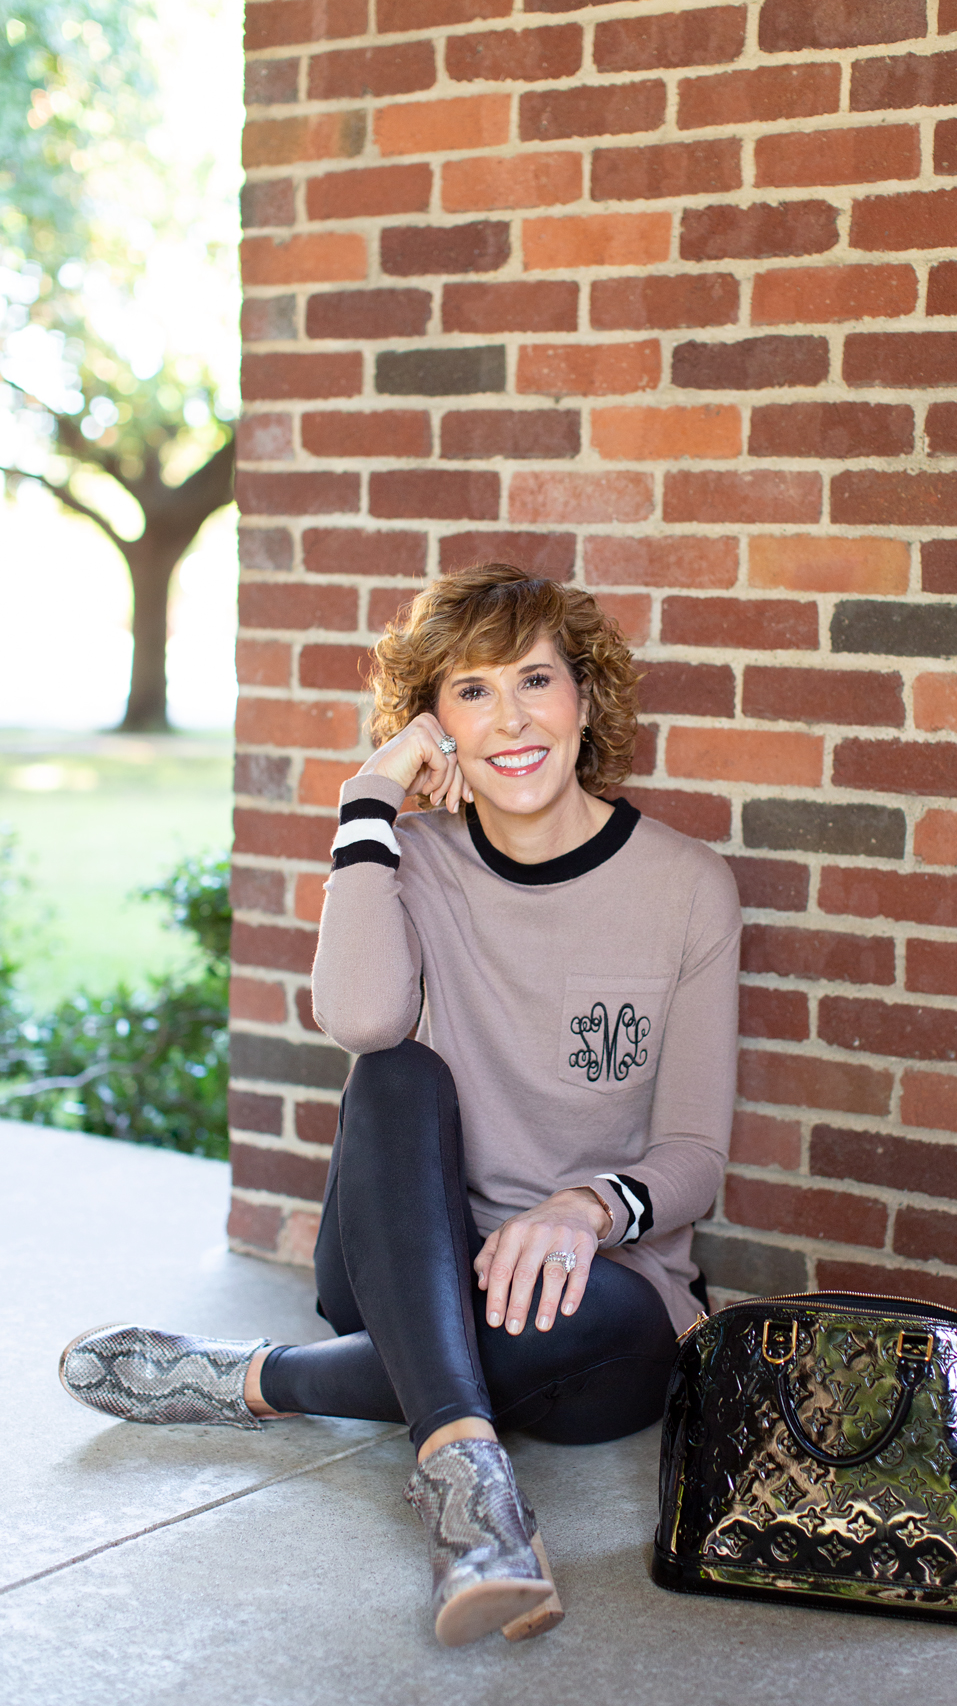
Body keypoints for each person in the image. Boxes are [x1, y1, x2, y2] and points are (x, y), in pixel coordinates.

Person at [59, 564, 742, 1648]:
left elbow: (698, 1153)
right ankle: (472, 1473)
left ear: (585, 699)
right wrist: (366, 806)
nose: (511, 719)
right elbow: (364, 1018)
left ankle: (263, 1384)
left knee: (605, 1322)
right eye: (472, 693)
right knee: (398, 1072)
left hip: (581, 1298)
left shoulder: (686, 886)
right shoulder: (409, 859)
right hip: (402, 1259)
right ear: (435, 726)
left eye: (535, 681)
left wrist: (584, 1209)